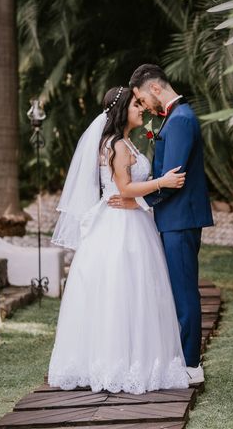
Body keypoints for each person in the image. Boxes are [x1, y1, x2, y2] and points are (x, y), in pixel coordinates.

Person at [48, 86, 191, 394]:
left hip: (126, 221)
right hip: (121, 225)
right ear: (123, 109)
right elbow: (124, 188)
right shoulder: (118, 146)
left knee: (127, 292)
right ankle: (121, 364)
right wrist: (162, 183)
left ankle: (124, 360)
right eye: (136, 104)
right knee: (125, 289)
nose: (141, 108)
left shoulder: (122, 142)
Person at [108, 64, 214, 383]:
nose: (143, 105)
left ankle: (191, 365)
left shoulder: (180, 119)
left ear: (154, 89)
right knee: (179, 290)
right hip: (175, 219)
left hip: (180, 219)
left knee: (184, 293)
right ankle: (183, 358)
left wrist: (138, 200)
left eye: (141, 97)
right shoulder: (173, 117)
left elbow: (173, 179)